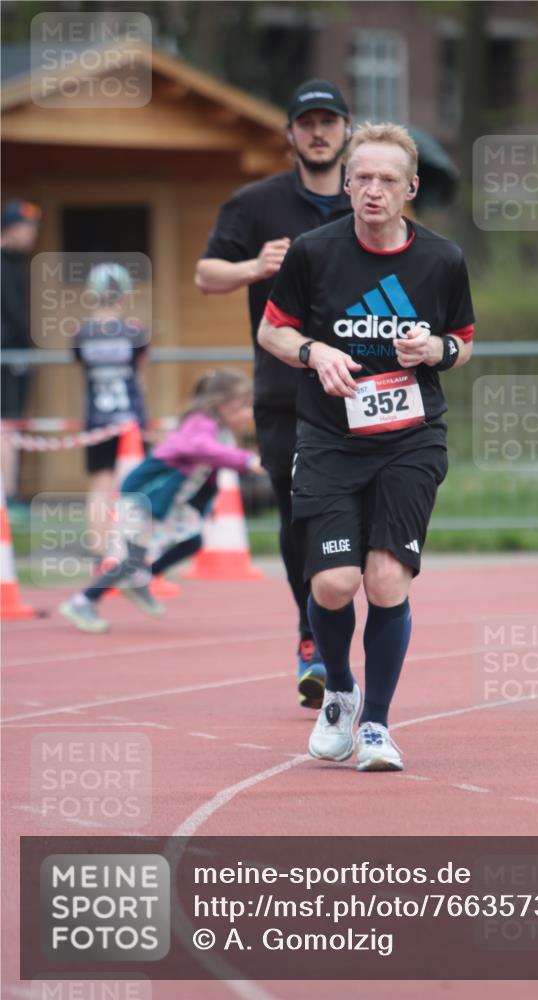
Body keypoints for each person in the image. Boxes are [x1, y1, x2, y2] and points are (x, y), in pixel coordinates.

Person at [257, 123, 475, 772]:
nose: (373, 190)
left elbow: (462, 340)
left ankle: (377, 725)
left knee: (383, 582)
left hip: (410, 438)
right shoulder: (314, 253)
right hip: (328, 436)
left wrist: (434, 350)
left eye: (387, 180)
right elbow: (273, 332)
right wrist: (314, 351)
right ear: (345, 184)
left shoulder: (440, 260)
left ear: (410, 188)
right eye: (362, 178)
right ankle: (341, 696)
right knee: (331, 584)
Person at [195, 79, 353, 710]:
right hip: (285, 391)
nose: (318, 132)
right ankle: (311, 631)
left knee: (360, 520)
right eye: (306, 122)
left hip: (361, 390)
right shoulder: (255, 204)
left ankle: (336, 614)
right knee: (297, 516)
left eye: (329, 122)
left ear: (346, 130)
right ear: (290, 134)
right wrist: (253, 268)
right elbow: (206, 275)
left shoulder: (366, 200)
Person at [59, 369, 264, 633]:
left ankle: (142, 580)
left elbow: (210, 468)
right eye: (244, 406)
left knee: (192, 540)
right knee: (132, 560)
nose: (249, 414)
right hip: (144, 497)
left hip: (167, 503)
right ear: (222, 405)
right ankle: (83, 601)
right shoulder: (200, 423)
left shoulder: (219, 429)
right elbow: (201, 448)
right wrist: (246, 460)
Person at [73, 263, 149, 560]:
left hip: (97, 418)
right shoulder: (135, 332)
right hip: (130, 418)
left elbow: (82, 366)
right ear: (123, 295)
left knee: (100, 484)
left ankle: (99, 548)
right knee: (134, 485)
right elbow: (141, 373)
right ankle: (134, 548)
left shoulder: (81, 333)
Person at [1, 199, 41, 511]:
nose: (31, 235)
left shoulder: (15, 261)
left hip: (14, 353)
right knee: (7, 422)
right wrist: (26, 348)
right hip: (7, 354)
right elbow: (12, 312)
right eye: (25, 228)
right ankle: (9, 494)